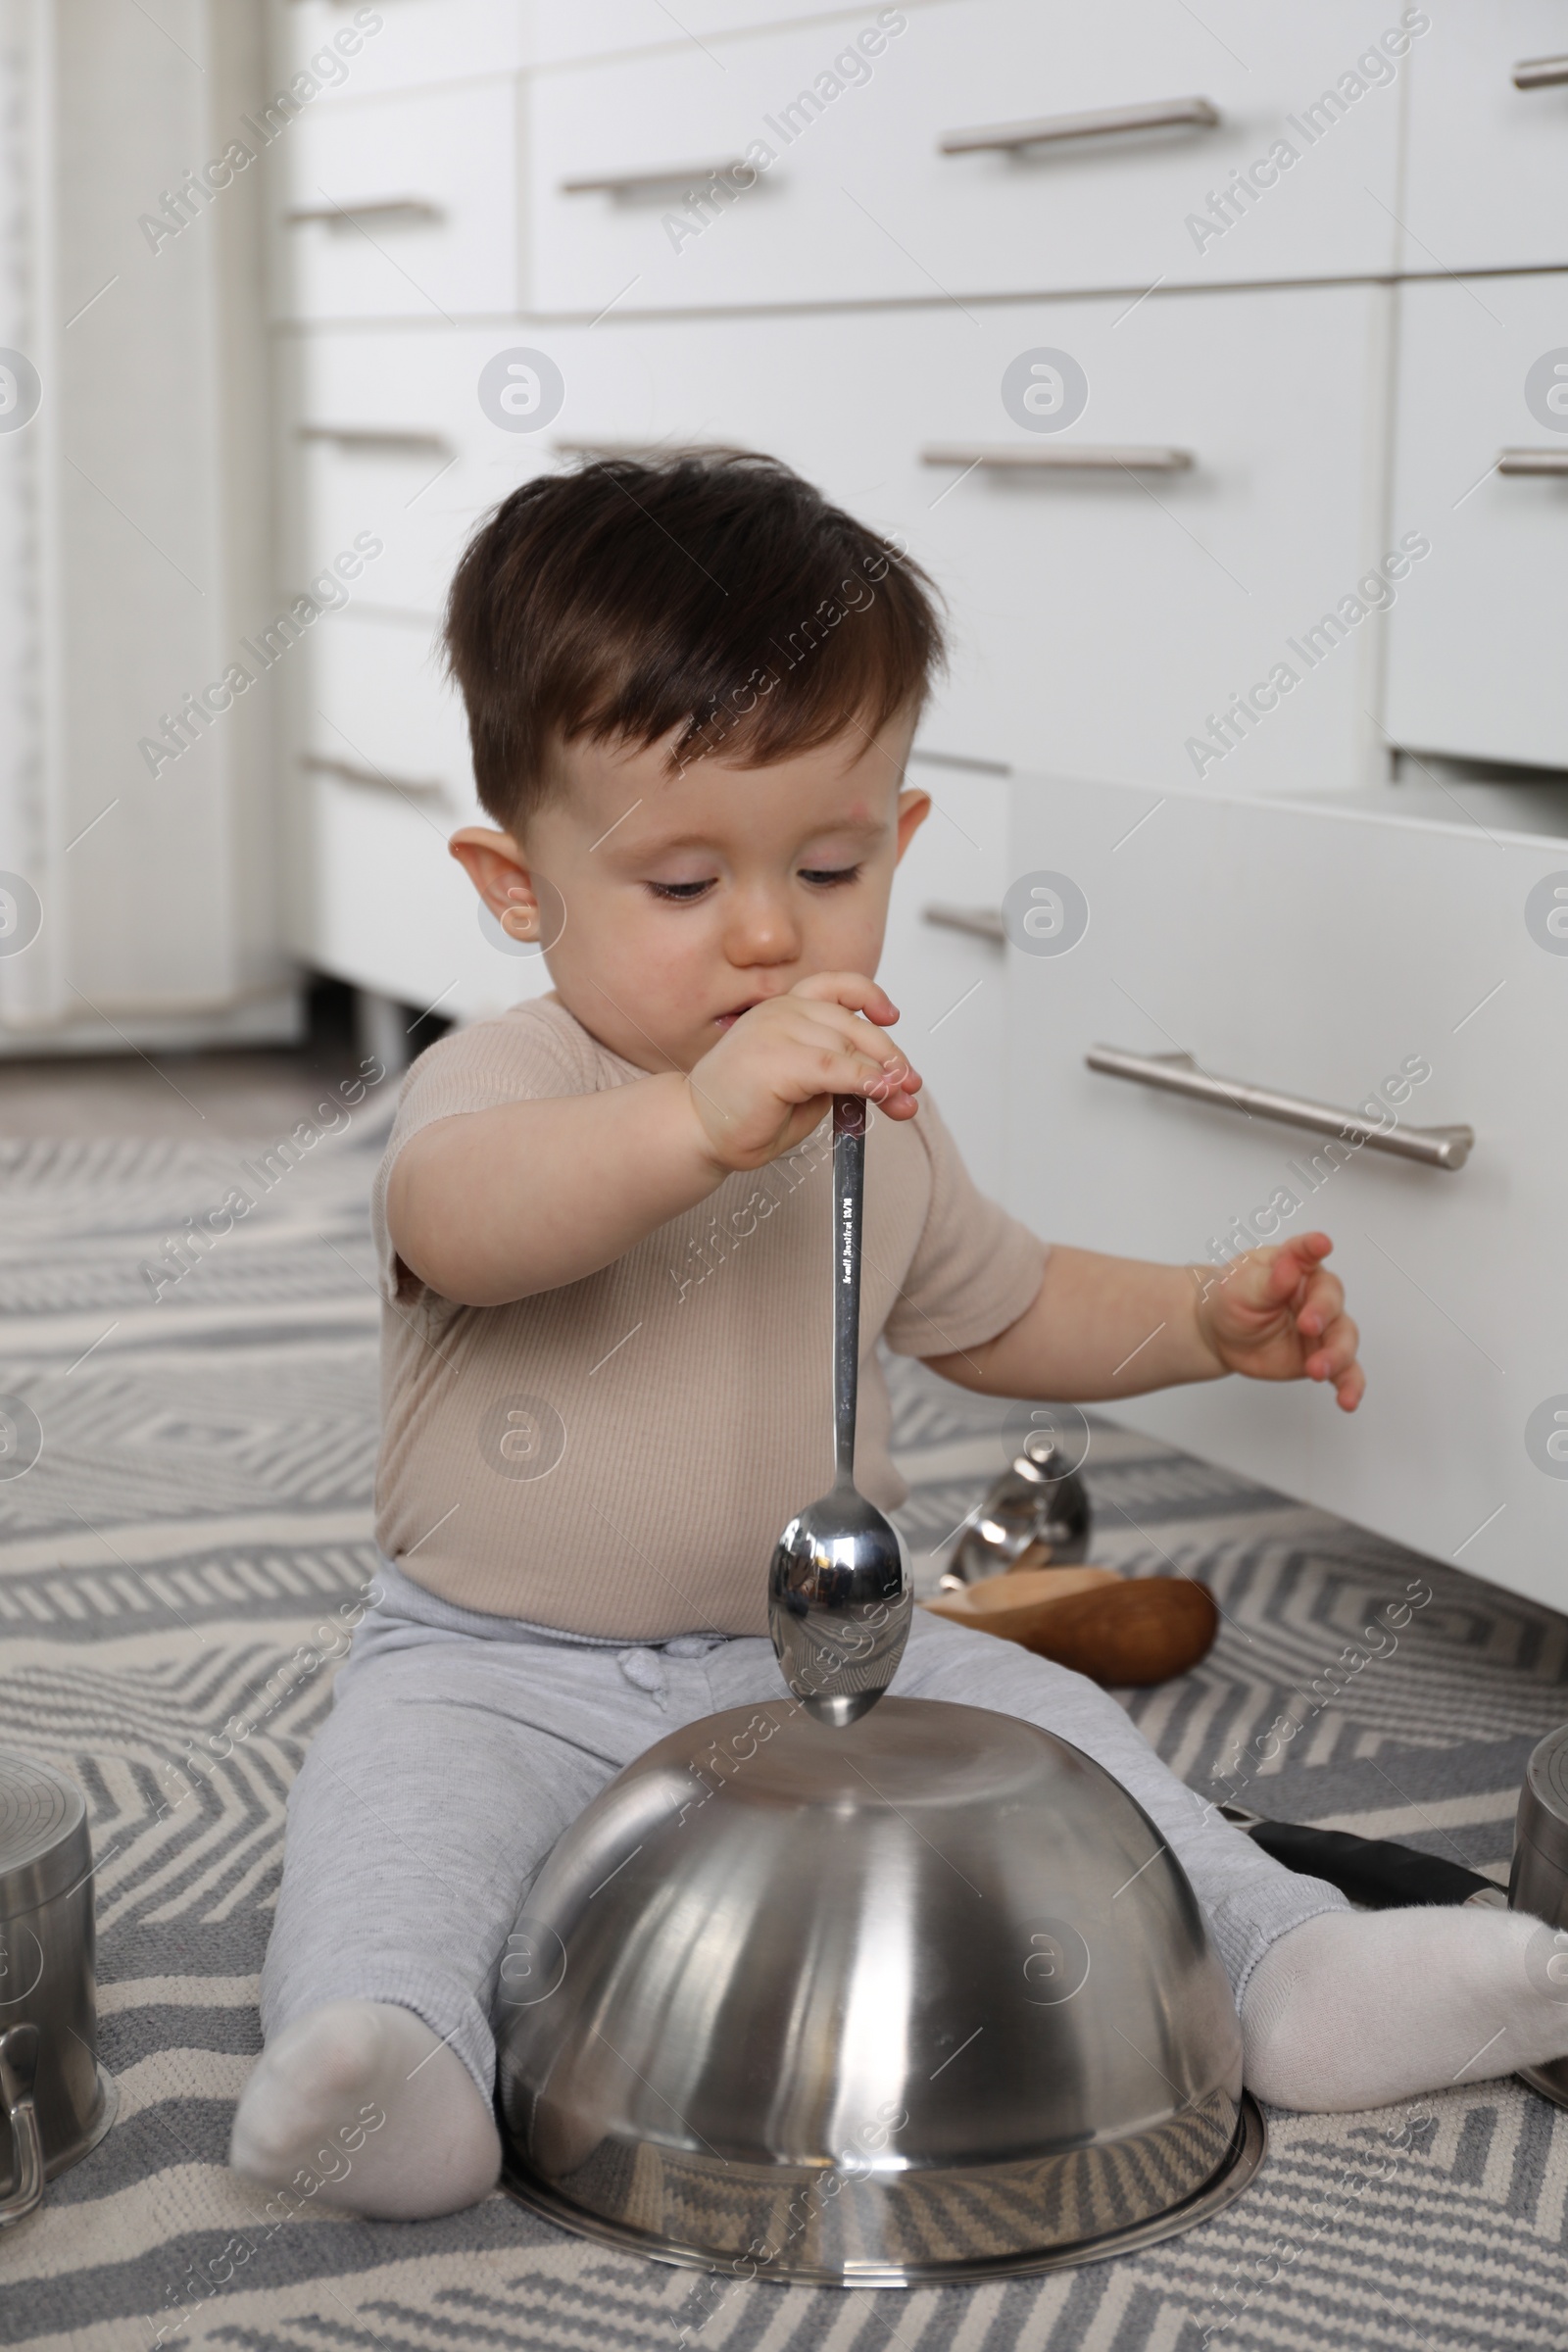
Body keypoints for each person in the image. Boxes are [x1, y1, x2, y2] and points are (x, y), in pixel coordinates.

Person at [230, 454, 1568, 2220]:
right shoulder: (507, 1085)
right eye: (683, 885)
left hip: (837, 1651)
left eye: (832, 861)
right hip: (497, 1666)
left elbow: (1001, 1304)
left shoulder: (877, 1117)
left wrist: (1189, 1316)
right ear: (516, 886)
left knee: (1078, 1744)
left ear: (903, 841)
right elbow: (469, 1232)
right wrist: (697, 1122)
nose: (772, 931)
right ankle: (384, 2061)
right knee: (389, 1836)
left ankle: (1282, 1973)